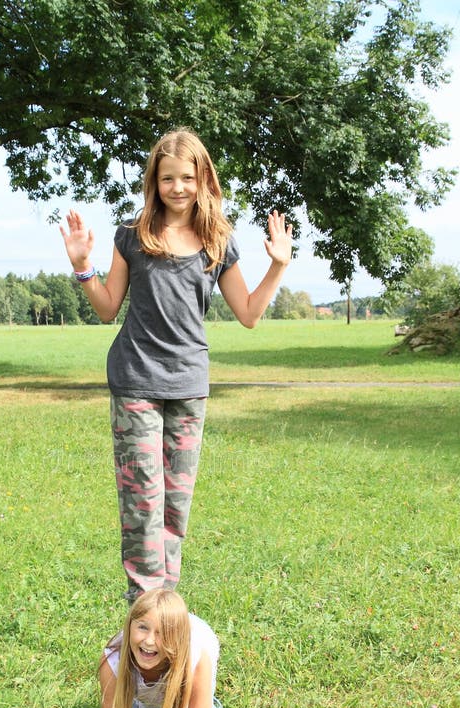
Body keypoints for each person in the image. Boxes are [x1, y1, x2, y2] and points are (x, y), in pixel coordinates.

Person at [60, 129, 292, 602]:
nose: (178, 187)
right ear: (154, 181)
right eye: (168, 179)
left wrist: (278, 266)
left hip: (189, 386)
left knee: (174, 509)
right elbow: (107, 308)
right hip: (135, 381)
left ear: (203, 178)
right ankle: (144, 610)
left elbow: (247, 313)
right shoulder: (133, 235)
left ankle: (165, 609)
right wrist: (83, 266)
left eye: (187, 177)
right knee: (142, 501)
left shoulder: (218, 242)